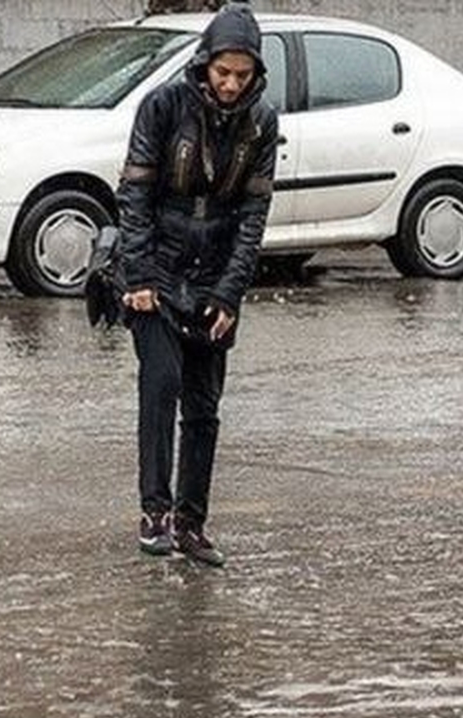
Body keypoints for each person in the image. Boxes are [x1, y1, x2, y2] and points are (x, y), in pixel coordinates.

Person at [116, 1, 278, 567]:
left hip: (214, 277)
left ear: (256, 73)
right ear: (205, 63)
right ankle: (154, 513)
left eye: (243, 75)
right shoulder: (162, 106)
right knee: (160, 386)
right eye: (222, 72)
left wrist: (230, 293)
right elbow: (134, 196)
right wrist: (137, 276)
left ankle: (191, 523)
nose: (231, 84)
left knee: (205, 409)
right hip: (155, 272)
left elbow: (254, 217)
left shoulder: (262, 122)